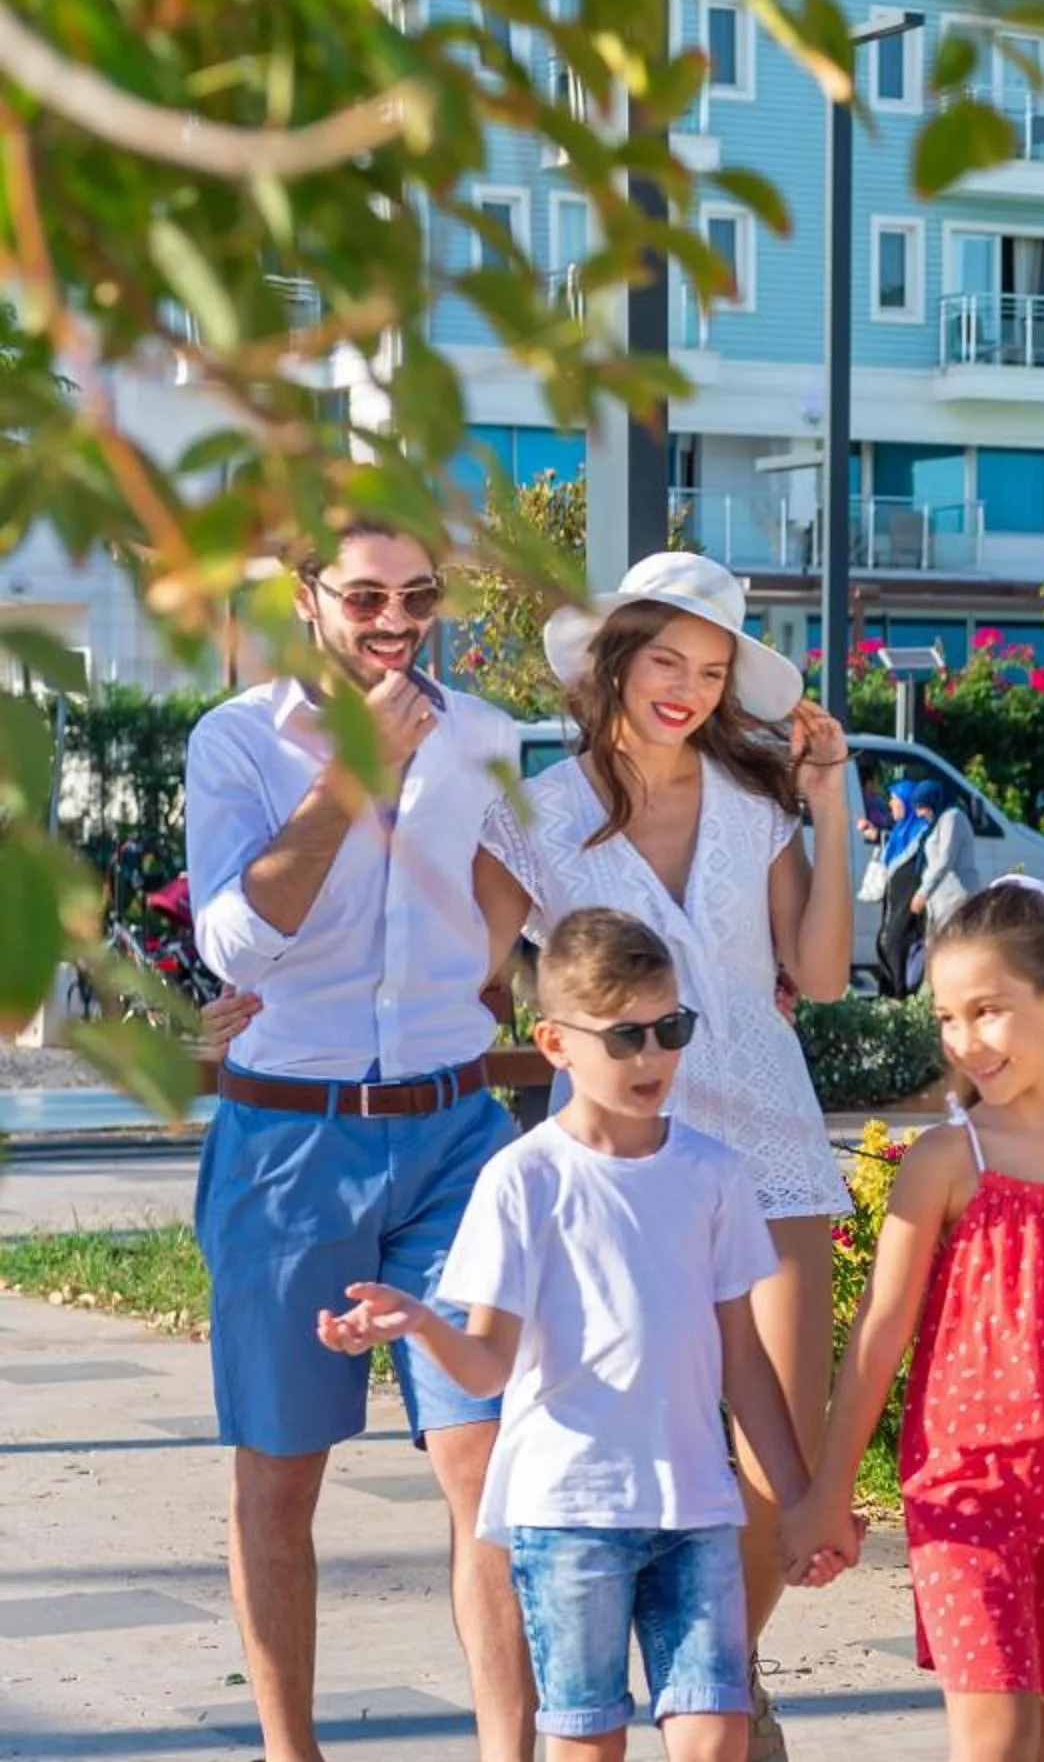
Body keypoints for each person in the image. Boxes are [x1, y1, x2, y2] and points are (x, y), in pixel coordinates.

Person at [315, 909, 858, 1762]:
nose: (652, 1058)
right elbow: (489, 1365)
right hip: (567, 1517)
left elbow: (743, 1363)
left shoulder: (712, 1175)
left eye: (670, 1029)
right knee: (587, 1743)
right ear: (557, 1044)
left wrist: (801, 1507)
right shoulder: (522, 1180)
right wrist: (418, 1322)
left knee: (715, 1738)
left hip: (695, 1512)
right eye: (626, 1036)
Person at [473, 550, 855, 1761]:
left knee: (783, 1456)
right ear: (618, 658)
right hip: (616, 1164)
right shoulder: (532, 811)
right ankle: (706, 1700)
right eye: (665, 660)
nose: (685, 688)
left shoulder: (756, 805)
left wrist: (830, 804)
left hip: (775, 1147)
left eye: (710, 669)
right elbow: (469, 975)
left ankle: (716, 1678)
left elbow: (830, 974)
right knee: (625, 1436)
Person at [183, 519, 534, 1762]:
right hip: (289, 1143)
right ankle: (293, 1751)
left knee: (487, 1462)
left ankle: (513, 1748)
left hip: (454, 1136)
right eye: (368, 594)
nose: (397, 618)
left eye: (420, 592)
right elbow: (231, 942)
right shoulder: (237, 739)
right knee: (281, 1471)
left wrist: (477, 978)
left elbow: (525, 875)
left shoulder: (485, 733)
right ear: (308, 596)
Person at [785, 879, 1044, 1762]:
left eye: (987, 1012)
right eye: (946, 1019)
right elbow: (880, 1332)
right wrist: (826, 1495)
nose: (964, 1042)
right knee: (997, 1739)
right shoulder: (943, 1161)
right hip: (966, 1499)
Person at [872, 778, 975, 997]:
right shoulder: (936, 820)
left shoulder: (952, 818)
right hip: (937, 904)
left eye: (922, 807)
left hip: (954, 900)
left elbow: (945, 859)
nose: (920, 813)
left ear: (933, 802)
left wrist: (922, 893)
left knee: (953, 955)